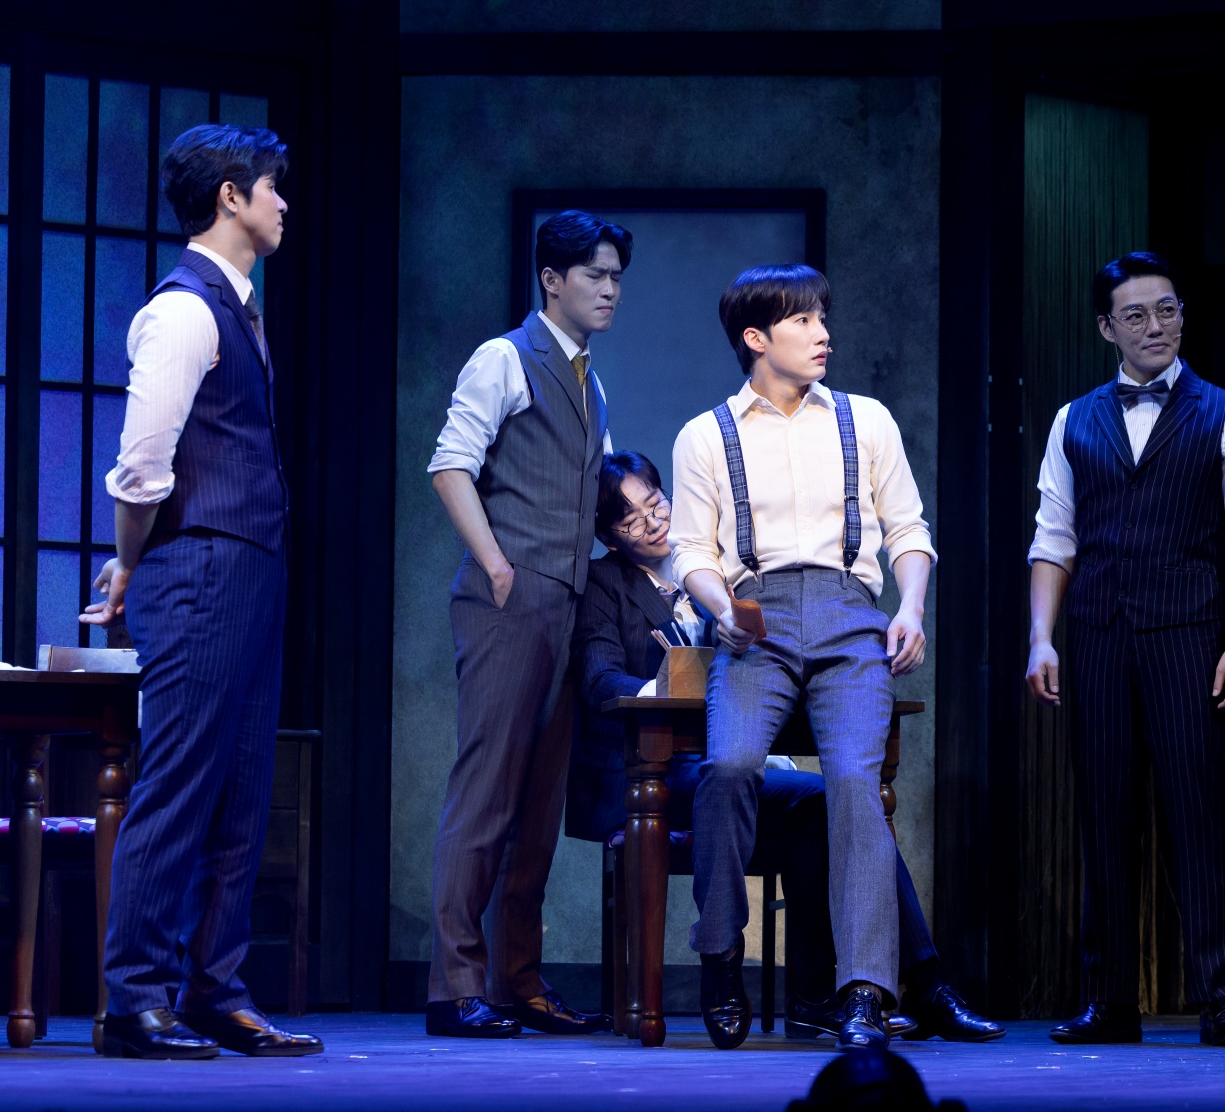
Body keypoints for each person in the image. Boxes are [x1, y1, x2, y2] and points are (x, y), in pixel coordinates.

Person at [570, 451, 1001, 1042]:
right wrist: (665, 686)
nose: (653, 522)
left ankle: (864, 990)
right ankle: (731, 966)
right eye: (631, 520)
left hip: (723, 756)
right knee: (759, 781)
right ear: (609, 537)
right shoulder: (605, 584)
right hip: (655, 772)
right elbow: (597, 677)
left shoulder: (715, 568)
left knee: (840, 801)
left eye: (656, 503)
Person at [82, 124, 320, 1059]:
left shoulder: (239, 307)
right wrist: (130, 561)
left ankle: (215, 988)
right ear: (230, 195)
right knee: (181, 782)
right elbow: (142, 465)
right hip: (200, 568)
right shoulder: (184, 311)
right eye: (271, 185)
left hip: (248, 567)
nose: (283, 201)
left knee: (242, 791)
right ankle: (134, 998)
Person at [669, 264, 936, 1051]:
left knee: (854, 783)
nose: (823, 333)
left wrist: (910, 607)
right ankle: (721, 951)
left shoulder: (865, 420)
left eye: (823, 317)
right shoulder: (707, 434)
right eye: (803, 320)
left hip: (850, 618)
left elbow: (908, 529)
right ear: (757, 338)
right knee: (729, 766)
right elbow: (692, 551)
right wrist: (723, 608)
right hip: (757, 621)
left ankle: (864, 990)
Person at [1024, 251, 1225, 1048]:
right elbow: (1053, 539)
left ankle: (1219, 996)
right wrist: (1040, 637)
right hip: (1098, 634)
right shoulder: (1073, 420)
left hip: (1189, 636)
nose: (1156, 325)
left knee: (1197, 814)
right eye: (1136, 314)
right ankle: (1110, 999)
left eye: (1167, 309)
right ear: (1107, 327)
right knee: (1105, 817)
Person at [421, 210, 629, 1038]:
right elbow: (450, 463)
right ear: (552, 279)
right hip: (510, 599)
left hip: (565, 603)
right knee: (487, 793)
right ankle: (454, 985)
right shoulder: (504, 358)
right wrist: (497, 564)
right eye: (595, 275)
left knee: (538, 806)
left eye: (616, 277)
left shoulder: (591, 384)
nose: (610, 289)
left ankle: (516, 981)